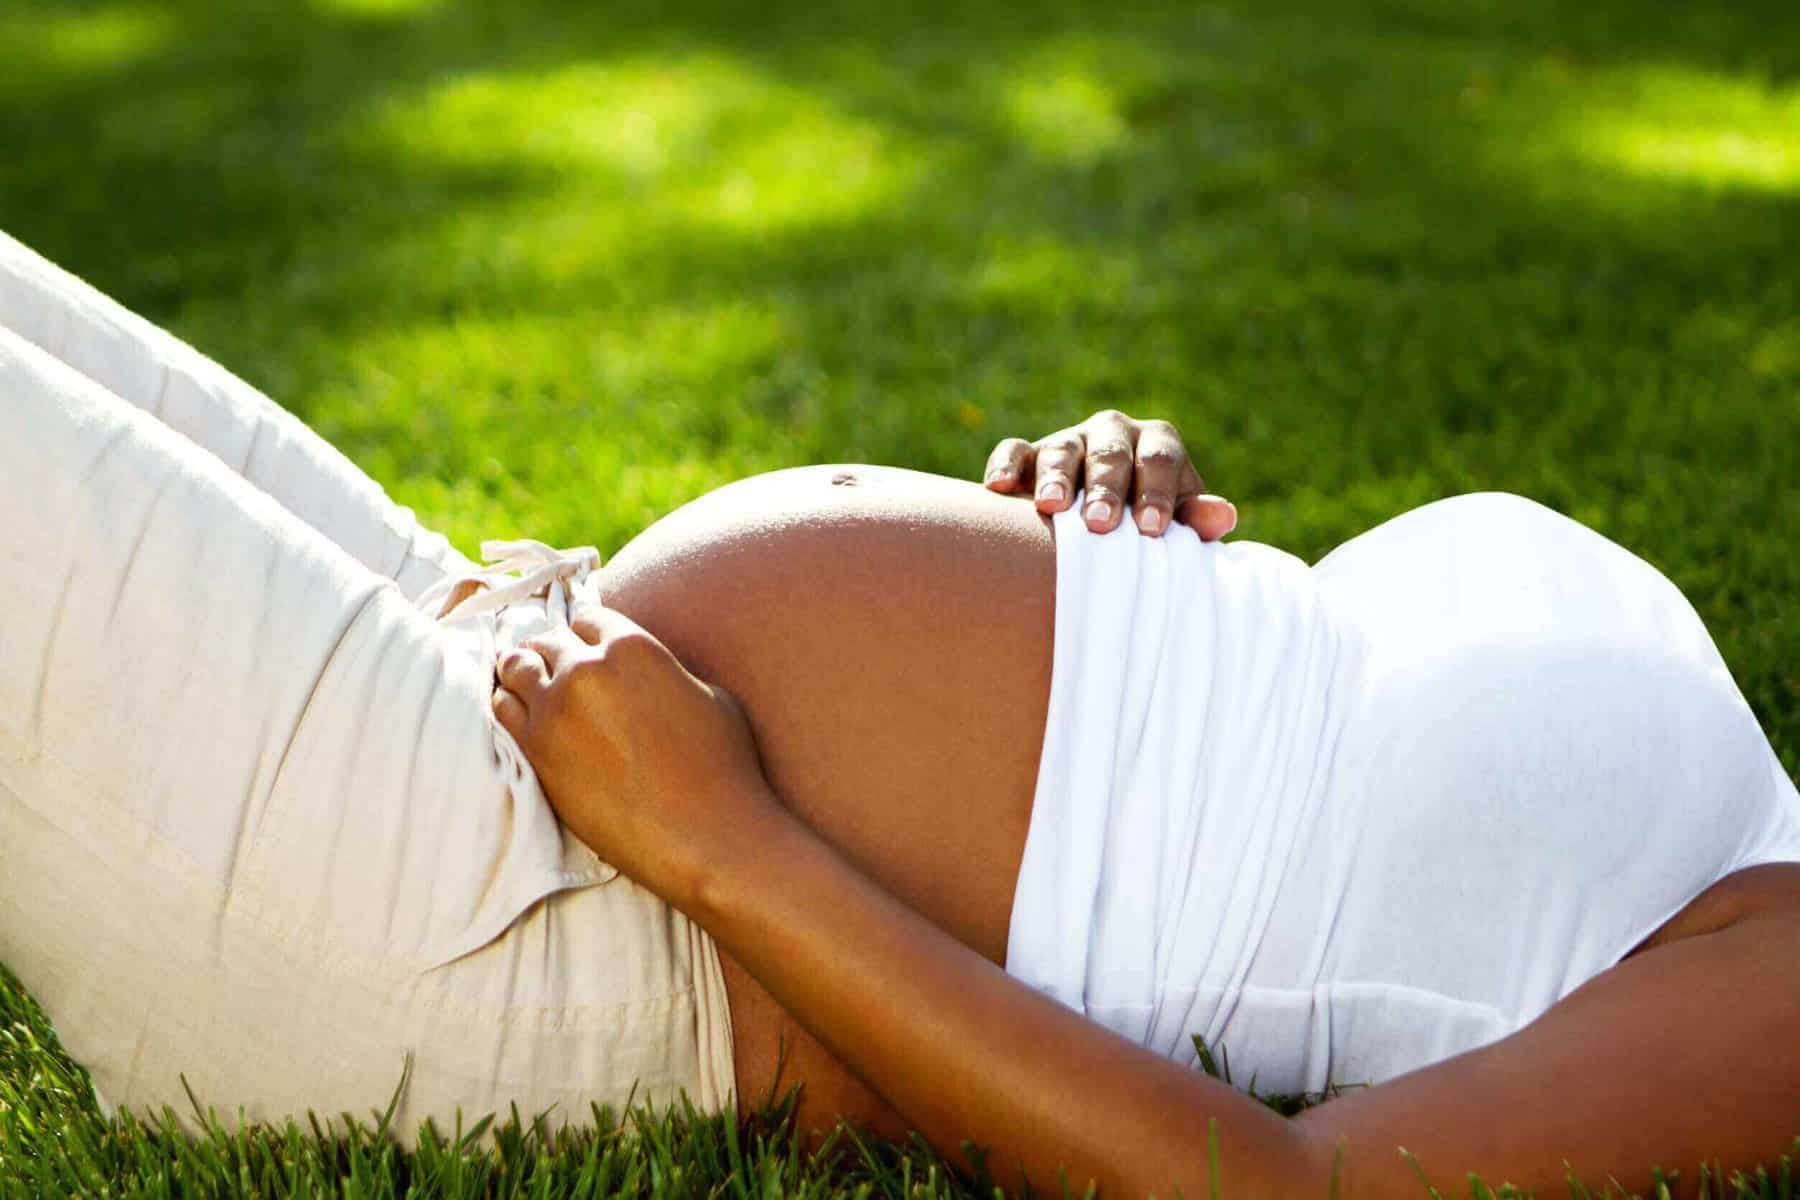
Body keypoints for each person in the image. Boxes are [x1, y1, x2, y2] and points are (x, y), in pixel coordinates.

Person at [2, 229, 1796, 1197]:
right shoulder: (1749, 797)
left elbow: (1275, 1190)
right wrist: (1126, 535)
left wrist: (723, 845)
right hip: (532, 672)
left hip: (554, 924)